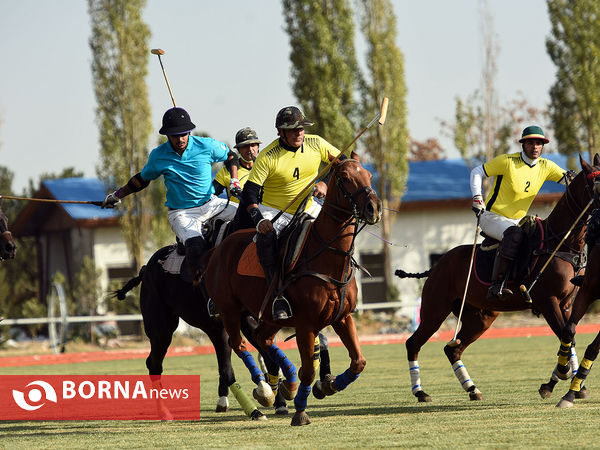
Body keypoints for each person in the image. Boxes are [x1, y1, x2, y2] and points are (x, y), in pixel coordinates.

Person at [101, 107, 239, 279]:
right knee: (196, 246)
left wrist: (234, 180)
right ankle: (205, 294)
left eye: (183, 134)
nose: (180, 139)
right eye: (175, 135)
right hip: (182, 213)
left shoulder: (207, 145)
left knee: (250, 217)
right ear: (167, 135)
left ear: (189, 131)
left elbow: (231, 157)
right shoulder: (158, 155)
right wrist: (116, 196)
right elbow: (141, 180)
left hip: (212, 204)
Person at [241, 106, 341, 320]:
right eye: (293, 130)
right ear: (280, 132)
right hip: (276, 210)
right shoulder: (268, 156)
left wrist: (324, 182)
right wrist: (259, 221)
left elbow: (341, 163)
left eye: (301, 128)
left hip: (308, 205)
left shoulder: (316, 143)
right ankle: (277, 295)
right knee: (266, 240)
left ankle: (339, 286)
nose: (299, 133)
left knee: (337, 230)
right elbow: (250, 193)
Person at [470, 125, 573, 299]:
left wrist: (581, 178)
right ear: (523, 145)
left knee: (541, 236)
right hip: (491, 217)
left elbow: (569, 181)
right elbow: (477, 171)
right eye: (531, 143)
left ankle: (528, 284)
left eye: (539, 143)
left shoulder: (546, 166)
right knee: (515, 234)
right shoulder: (507, 161)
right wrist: (477, 198)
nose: (535, 147)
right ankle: (496, 285)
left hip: (517, 221)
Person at [212, 127, 262, 219]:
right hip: (236, 218)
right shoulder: (226, 171)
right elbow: (211, 194)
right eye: (245, 146)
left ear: (258, 147)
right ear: (238, 149)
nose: (250, 149)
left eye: (253, 145)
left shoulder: (267, 167)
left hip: (263, 214)